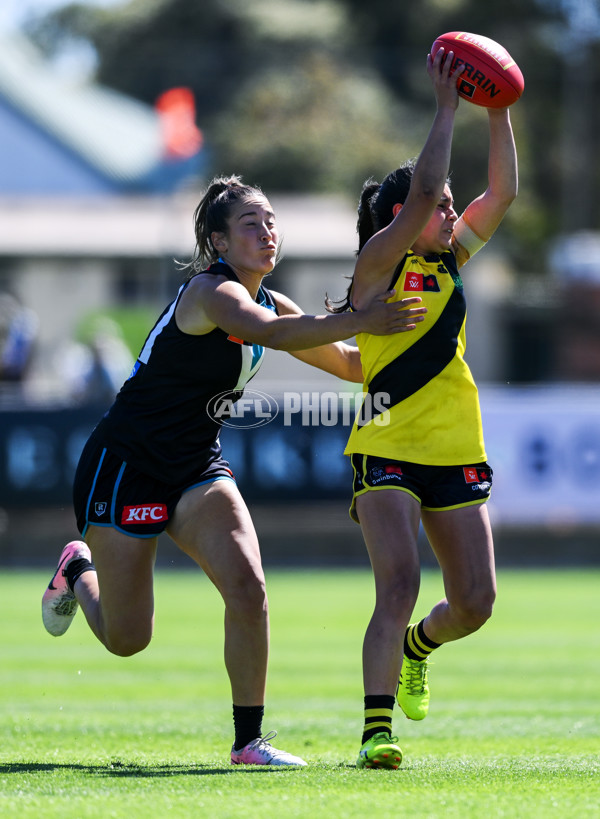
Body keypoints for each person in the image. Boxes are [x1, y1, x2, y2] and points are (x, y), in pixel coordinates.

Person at [41, 176, 428, 767]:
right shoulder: (210, 292)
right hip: (126, 465)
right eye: (251, 224)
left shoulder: (273, 302)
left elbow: (349, 365)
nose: (267, 231)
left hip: (197, 466)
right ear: (219, 242)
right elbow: (273, 335)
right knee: (127, 639)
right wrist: (365, 317)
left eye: (271, 220)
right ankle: (78, 570)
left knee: (248, 589)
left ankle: (249, 743)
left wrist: (421, 347)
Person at [330, 48, 518, 769]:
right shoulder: (379, 264)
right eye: (440, 205)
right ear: (400, 216)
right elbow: (421, 194)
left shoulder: (449, 261)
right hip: (385, 443)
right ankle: (376, 729)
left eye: (447, 206)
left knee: (474, 602)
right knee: (399, 583)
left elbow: (501, 195)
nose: (450, 210)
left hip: (456, 444)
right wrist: (447, 107)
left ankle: (419, 647)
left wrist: (497, 110)